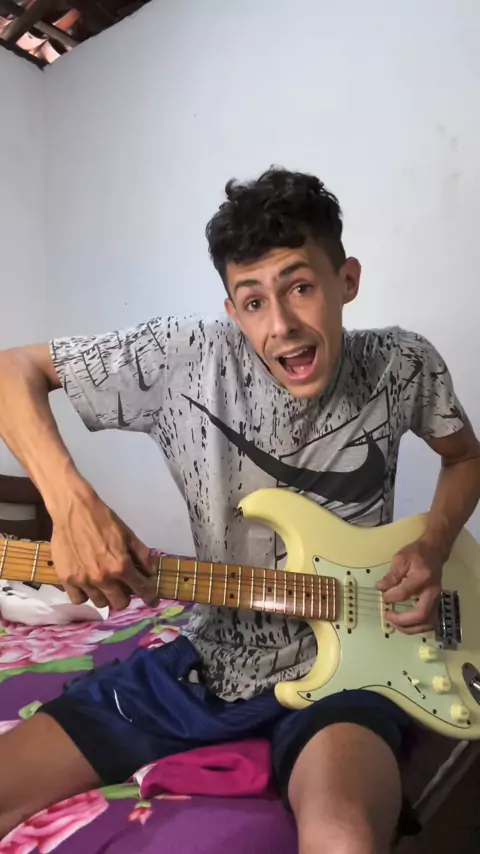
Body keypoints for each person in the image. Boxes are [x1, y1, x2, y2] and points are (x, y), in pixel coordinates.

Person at [0, 168, 479, 852]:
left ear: (346, 280)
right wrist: (72, 504)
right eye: (253, 301)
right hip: (206, 658)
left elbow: (465, 458)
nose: (281, 326)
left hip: (353, 671)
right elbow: (11, 369)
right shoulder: (185, 359)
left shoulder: (402, 363)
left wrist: (432, 547)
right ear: (231, 310)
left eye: (300, 287)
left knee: (343, 839)